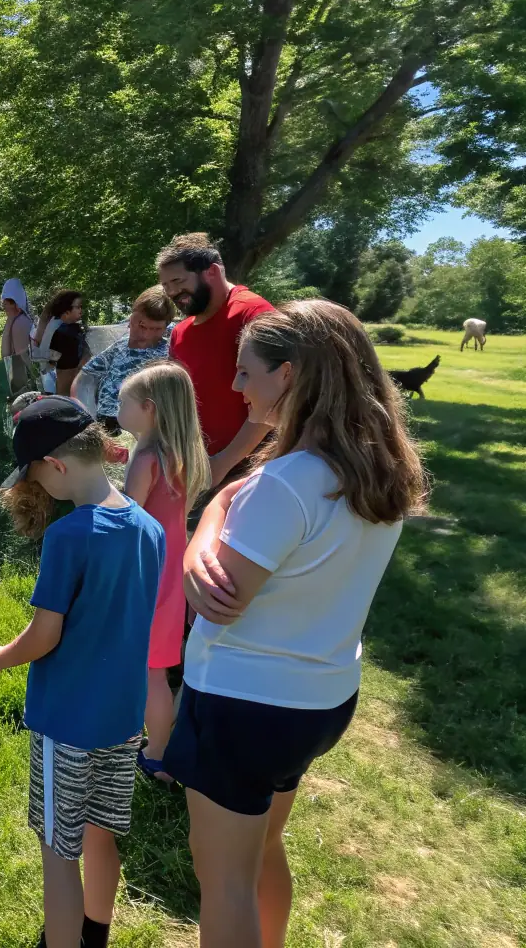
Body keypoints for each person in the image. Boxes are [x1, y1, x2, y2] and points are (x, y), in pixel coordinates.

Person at [163, 301, 425, 948]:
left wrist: (200, 533)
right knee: (263, 849)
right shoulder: (372, 473)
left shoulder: (284, 485)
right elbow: (241, 511)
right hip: (319, 699)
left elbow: (216, 595)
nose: (233, 385)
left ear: (288, 375)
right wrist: (224, 503)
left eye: (244, 370)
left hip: (241, 704)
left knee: (223, 882)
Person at [0, 397, 165, 948]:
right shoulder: (149, 527)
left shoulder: (69, 537)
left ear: (55, 466)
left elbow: (44, 635)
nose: (34, 486)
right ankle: (96, 935)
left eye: (33, 473)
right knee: (102, 835)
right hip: (123, 718)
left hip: (68, 724)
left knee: (59, 852)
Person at [115, 361, 210, 782]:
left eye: (124, 403)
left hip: (145, 569)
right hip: (174, 566)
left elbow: (127, 515)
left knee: (151, 669)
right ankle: (156, 742)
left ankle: (156, 753)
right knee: (159, 666)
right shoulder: (182, 453)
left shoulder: (147, 457)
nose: (118, 409)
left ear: (148, 409)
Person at [155, 233, 274, 497]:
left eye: (178, 280)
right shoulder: (180, 332)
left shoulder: (253, 314)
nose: (172, 292)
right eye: (166, 285)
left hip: (249, 469)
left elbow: (275, 399)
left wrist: (223, 462)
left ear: (212, 271)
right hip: (197, 464)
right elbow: (176, 399)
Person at [72, 286, 176, 434]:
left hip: (144, 429)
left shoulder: (172, 346)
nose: (145, 335)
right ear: (132, 316)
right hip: (104, 425)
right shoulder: (121, 344)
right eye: (141, 325)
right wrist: (86, 417)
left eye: (156, 329)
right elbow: (86, 377)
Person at [34, 290, 90, 397]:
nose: (80, 311)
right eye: (78, 307)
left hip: (55, 383)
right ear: (66, 312)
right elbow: (71, 368)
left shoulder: (56, 325)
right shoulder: (65, 333)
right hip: (67, 387)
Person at [0, 278, 37, 402]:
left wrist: (35, 381)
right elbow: (6, 356)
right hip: (19, 380)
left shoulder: (20, 322)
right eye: (4, 301)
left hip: (25, 384)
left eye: (7, 301)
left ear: (16, 303)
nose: (3, 304)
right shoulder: (14, 321)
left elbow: (22, 356)